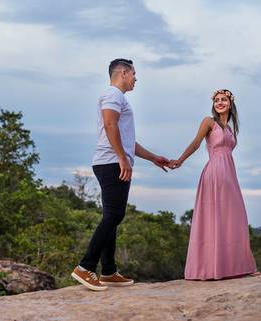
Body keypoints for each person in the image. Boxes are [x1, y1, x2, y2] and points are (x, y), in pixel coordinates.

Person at [72, 58, 169, 291]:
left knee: (112, 215)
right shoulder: (113, 95)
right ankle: (85, 267)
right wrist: (122, 159)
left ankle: (108, 271)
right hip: (111, 163)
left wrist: (153, 157)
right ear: (123, 73)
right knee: (114, 215)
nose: (136, 79)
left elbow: (127, 140)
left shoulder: (118, 98)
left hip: (111, 162)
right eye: (134, 74)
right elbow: (110, 125)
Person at [169, 89, 260, 280]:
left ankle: (236, 266)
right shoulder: (208, 122)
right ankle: (209, 268)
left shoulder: (230, 128)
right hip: (215, 173)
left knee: (235, 217)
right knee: (215, 218)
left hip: (230, 176)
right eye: (217, 100)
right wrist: (181, 159)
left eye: (224, 100)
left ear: (230, 103)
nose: (220, 103)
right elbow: (196, 143)